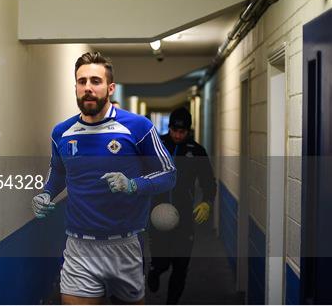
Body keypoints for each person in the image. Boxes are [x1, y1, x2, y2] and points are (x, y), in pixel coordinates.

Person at [31, 52, 176, 305]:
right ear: (75, 86)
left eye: (95, 81)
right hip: (79, 246)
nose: (88, 88)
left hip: (125, 245)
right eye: (82, 81)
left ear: (110, 88)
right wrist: (45, 193)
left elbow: (169, 174)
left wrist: (133, 185)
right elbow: (59, 171)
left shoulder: (138, 128)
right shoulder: (61, 132)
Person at [147, 107, 217, 304]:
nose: (178, 135)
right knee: (161, 261)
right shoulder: (156, 146)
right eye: (174, 131)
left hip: (184, 216)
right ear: (169, 128)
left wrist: (207, 202)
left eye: (182, 132)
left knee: (180, 265)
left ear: (189, 131)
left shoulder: (197, 151)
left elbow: (209, 182)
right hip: (157, 213)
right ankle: (155, 271)